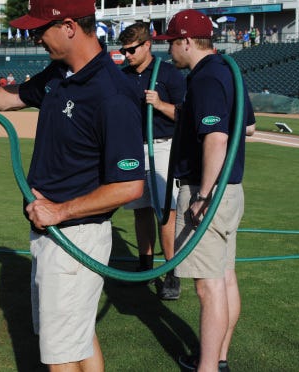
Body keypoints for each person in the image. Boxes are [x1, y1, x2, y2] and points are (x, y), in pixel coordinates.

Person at [0, 1, 146, 370]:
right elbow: (14, 96)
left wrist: (59, 211)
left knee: (60, 354)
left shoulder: (113, 94)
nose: (34, 37)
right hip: (56, 230)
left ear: (68, 26)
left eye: (39, 30)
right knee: (78, 338)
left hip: (75, 235)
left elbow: (129, 187)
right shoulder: (61, 72)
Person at [154, 9, 256, 372]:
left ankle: (208, 367)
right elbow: (249, 128)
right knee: (225, 278)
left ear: (185, 41)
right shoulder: (228, 69)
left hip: (208, 190)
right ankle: (219, 359)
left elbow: (217, 137)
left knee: (207, 287)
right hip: (230, 190)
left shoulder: (206, 77)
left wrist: (202, 195)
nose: (169, 53)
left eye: (171, 44)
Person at [118, 22, 186, 300]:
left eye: (132, 49)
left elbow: (186, 116)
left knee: (166, 212)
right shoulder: (122, 76)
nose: (127, 55)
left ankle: (172, 273)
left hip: (163, 147)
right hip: (134, 150)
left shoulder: (169, 75)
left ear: (147, 45)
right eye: (123, 50)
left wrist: (159, 105)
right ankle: (144, 266)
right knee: (140, 210)